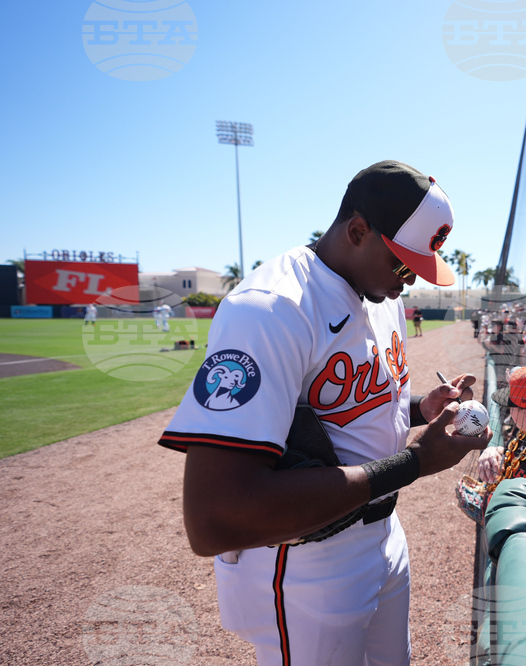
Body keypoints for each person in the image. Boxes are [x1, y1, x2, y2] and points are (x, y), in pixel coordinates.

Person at [157, 161, 491, 666]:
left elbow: (361, 403)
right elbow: (214, 518)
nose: (408, 282)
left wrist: (422, 408)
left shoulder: (379, 290)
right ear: (357, 230)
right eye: (402, 264)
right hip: (307, 561)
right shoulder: (270, 309)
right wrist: (417, 462)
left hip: (382, 534)